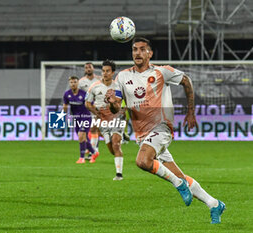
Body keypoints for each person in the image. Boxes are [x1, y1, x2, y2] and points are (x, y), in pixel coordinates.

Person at [106, 37, 225, 223]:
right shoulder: (122, 77)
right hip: (142, 134)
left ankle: (179, 185)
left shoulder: (162, 72)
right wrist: (112, 103)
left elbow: (186, 81)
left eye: (142, 49)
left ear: (149, 53)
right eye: (134, 49)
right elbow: (118, 108)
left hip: (162, 127)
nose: (137, 53)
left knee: (142, 161)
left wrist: (190, 112)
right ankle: (214, 204)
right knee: (178, 174)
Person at [85, 60, 126, 180]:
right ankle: (120, 146)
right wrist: (96, 112)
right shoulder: (94, 87)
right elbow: (87, 103)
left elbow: (118, 105)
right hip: (102, 120)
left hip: (116, 117)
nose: (105, 73)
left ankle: (119, 174)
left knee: (116, 144)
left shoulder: (118, 87)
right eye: (103, 71)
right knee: (112, 150)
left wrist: (112, 102)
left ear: (113, 72)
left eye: (108, 71)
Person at [63, 76, 98, 163]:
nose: (73, 84)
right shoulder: (67, 94)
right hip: (76, 119)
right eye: (71, 82)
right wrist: (63, 116)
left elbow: (91, 104)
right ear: (69, 83)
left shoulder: (83, 94)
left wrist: (97, 113)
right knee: (83, 138)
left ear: (78, 83)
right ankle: (94, 152)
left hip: (85, 117)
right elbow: (65, 106)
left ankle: (82, 158)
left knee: (81, 135)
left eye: (75, 82)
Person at [79, 62, 101, 157]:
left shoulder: (99, 80)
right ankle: (92, 148)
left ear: (93, 68)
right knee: (88, 129)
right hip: (86, 107)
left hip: (97, 106)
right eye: (86, 67)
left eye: (90, 67)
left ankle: (94, 150)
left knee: (94, 128)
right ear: (85, 70)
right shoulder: (81, 82)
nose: (88, 69)